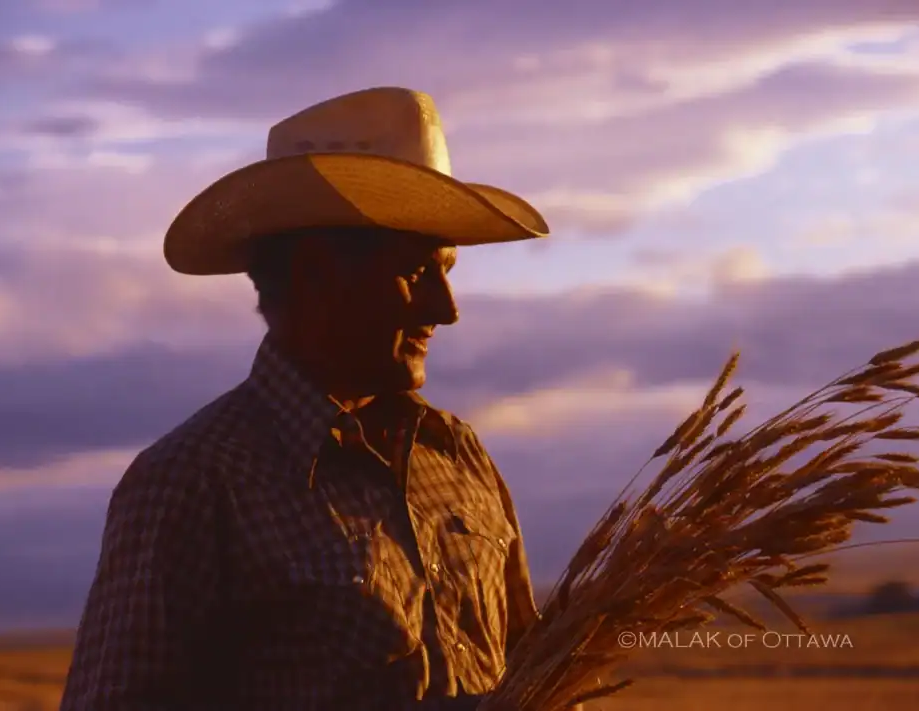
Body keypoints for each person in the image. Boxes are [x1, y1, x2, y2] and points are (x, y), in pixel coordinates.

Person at [59, 87, 575, 711]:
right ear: (315, 275)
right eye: (416, 272)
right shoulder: (192, 482)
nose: (446, 308)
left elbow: (529, 675)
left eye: (448, 270)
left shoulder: (459, 456)